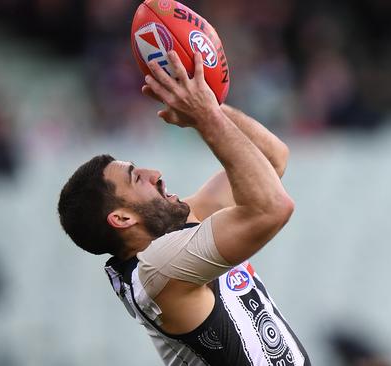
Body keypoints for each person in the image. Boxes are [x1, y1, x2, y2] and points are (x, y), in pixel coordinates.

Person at [58, 51, 310, 365]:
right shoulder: (158, 268)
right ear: (122, 218)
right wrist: (206, 118)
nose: (155, 174)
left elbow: (272, 159)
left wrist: (207, 106)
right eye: (137, 178)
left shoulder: (174, 229)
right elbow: (273, 208)